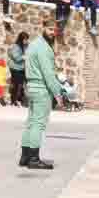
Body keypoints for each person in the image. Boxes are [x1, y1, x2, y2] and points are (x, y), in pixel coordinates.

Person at [20, 24, 60, 171]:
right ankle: (34, 159)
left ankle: (25, 157)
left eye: (54, 30)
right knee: (38, 124)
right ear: (43, 28)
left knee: (30, 122)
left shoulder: (32, 45)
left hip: (31, 86)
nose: (53, 32)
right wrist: (57, 92)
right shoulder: (43, 47)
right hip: (41, 88)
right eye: (50, 29)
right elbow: (48, 73)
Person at [6, 32, 28, 107]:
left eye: (27, 39)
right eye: (25, 39)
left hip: (22, 68)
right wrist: (24, 57)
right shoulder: (15, 47)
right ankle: (14, 101)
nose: (26, 41)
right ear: (21, 39)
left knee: (21, 85)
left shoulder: (25, 46)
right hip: (15, 68)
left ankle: (19, 100)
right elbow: (16, 58)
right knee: (16, 85)